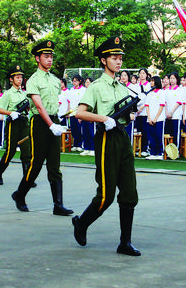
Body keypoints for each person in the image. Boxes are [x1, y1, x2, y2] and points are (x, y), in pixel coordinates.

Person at [73, 36, 141, 256]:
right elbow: (80, 112)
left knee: (130, 193)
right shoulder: (96, 86)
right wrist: (103, 119)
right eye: (114, 57)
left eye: (120, 57)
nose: (119, 61)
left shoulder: (122, 87)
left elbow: (127, 113)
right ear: (104, 60)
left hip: (122, 139)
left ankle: (125, 243)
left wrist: (131, 115)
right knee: (106, 195)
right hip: (106, 139)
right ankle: (82, 223)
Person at [11, 40, 73, 216]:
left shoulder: (54, 80)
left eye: (51, 56)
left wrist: (58, 119)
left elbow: (54, 104)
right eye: (46, 56)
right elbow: (38, 106)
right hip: (40, 123)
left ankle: (58, 205)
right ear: (37, 58)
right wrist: (51, 124)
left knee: (54, 164)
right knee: (37, 164)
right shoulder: (33, 80)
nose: (50, 59)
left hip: (53, 121)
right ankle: (20, 195)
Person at [0, 65, 31, 185]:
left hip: (24, 123)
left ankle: (27, 178)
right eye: (17, 77)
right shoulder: (8, 94)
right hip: (13, 124)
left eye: (21, 77)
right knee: (10, 151)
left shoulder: (24, 93)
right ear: (11, 79)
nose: (20, 79)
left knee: (27, 151)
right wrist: (10, 113)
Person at [144, 76, 166, 160]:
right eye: (150, 81)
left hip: (159, 119)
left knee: (159, 135)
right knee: (151, 136)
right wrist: (149, 118)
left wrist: (156, 118)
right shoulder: (149, 93)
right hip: (150, 118)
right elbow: (147, 106)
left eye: (153, 81)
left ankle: (160, 153)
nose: (151, 82)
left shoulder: (161, 92)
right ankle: (153, 152)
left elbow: (161, 106)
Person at [67, 75, 85, 152]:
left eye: (76, 81)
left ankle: (80, 144)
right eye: (73, 81)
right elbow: (69, 101)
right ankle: (76, 144)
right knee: (74, 129)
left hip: (79, 112)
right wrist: (68, 112)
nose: (74, 82)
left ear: (80, 81)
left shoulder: (83, 90)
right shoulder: (71, 90)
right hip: (72, 113)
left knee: (79, 129)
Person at [81, 77, 96, 156]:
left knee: (91, 133)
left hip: (90, 116)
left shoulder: (94, 92)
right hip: (84, 116)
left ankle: (92, 148)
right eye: (86, 82)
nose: (88, 84)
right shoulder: (83, 92)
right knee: (85, 132)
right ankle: (86, 148)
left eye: (89, 82)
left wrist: (93, 116)